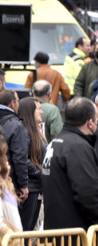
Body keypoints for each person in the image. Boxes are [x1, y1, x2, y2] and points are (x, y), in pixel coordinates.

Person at [41, 97, 98, 246]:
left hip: (60, 239)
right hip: (78, 241)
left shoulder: (56, 143)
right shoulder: (78, 147)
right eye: (96, 119)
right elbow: (88, 193)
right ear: (90, 122)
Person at [16, 97, 46, 234]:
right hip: (31, 188)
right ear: (30, 111)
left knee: (29, 230)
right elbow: (23, 158)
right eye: (38, 109)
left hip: (36, 187)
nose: (42, 112)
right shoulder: (25, 132)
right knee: (25, 231)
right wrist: (39, 173)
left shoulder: (36, 132)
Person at [0, 90, 30, 205]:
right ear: (12, 104)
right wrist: (23, 185)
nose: (19, 104)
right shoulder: (16, 126)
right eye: (18, 101)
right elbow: (19, 158)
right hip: (9, 184)